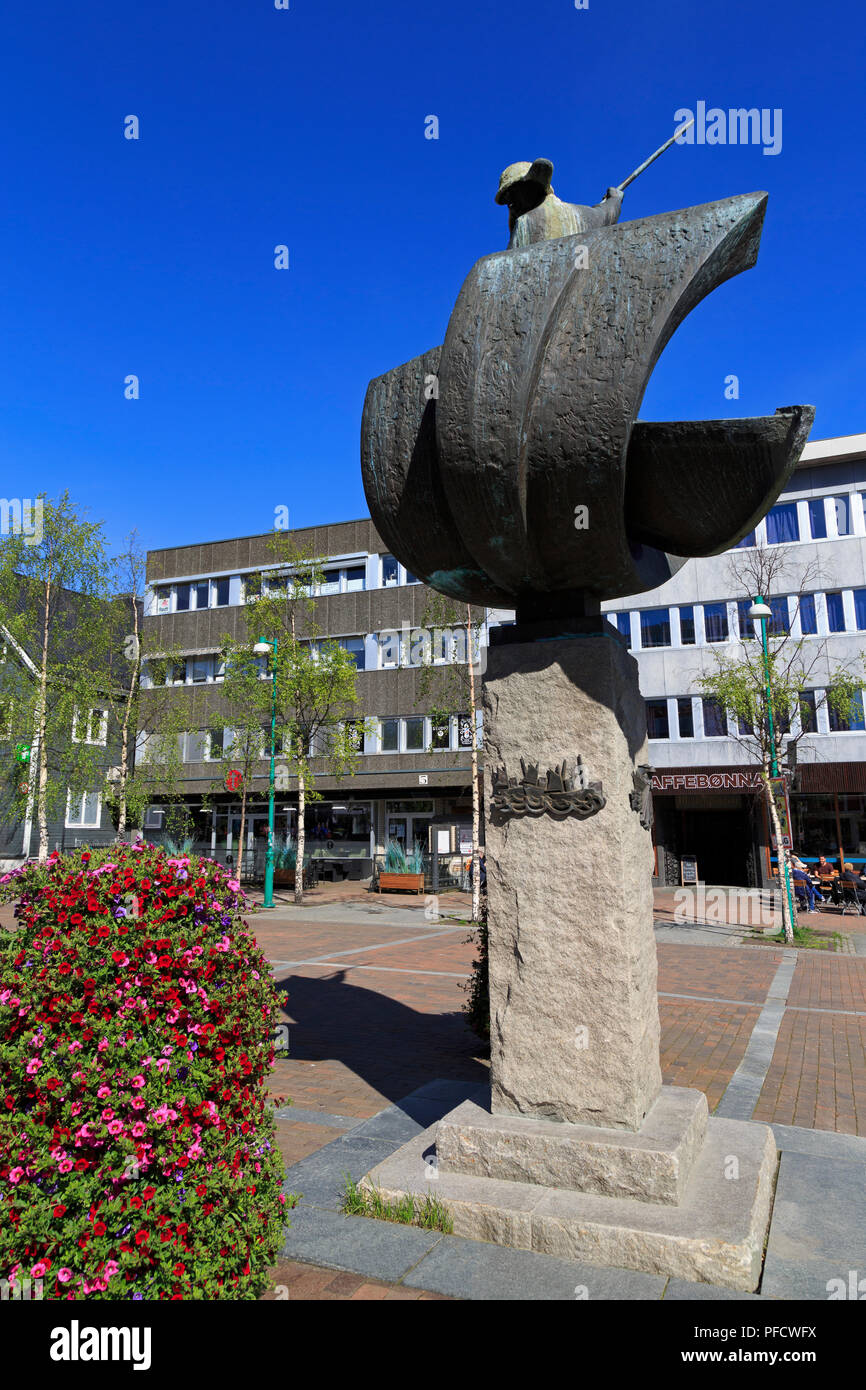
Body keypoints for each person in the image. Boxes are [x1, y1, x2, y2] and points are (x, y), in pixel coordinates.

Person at [495, 159, 624, 250]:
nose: (510, 203)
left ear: (532, 187)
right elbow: (606, 214)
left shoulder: (525, 223)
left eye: (513, 193)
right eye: (507, 199)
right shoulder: (580, 214)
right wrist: (614, 199)